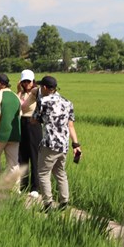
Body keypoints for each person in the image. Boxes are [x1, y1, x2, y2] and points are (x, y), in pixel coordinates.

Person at [34, 75, 80, 210]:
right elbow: (70, 125)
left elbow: (35, 119)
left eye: (40, 86)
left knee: (43, 173)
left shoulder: (44, 101)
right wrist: (76, 144)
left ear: (44, 87)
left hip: (49, 144)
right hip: (63, 145)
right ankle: (64, 201)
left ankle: (47, 203)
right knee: (60, 172)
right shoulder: (68, 102)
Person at [0, 72, 22, 175]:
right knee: (13, 164)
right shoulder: (16, 97)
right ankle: (15, 189)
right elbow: (19, 116)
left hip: (1, 135)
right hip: (15, 135)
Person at [16, 69, 42, 193]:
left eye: (28, 81)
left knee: (34, 156)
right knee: (22, 156)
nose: (26, 83)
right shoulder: (20, 94)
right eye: (24, 81)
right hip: (21, 124)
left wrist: (33, 89)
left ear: (33, 81)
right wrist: (18, 91)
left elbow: (40, 91)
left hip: (33, 125)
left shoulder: (35, 93)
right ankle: (23, 184)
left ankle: (35, 187)